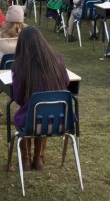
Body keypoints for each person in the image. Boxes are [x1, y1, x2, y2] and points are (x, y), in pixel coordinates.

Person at [11, 26, 69, 171]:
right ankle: (39, 158)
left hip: (32, 121)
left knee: (29, 116)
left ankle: (26, 159)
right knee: (42, 114)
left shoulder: (19, 65)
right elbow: (66, 83)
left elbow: (17, 97)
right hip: (61, 121)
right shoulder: (58, 60)